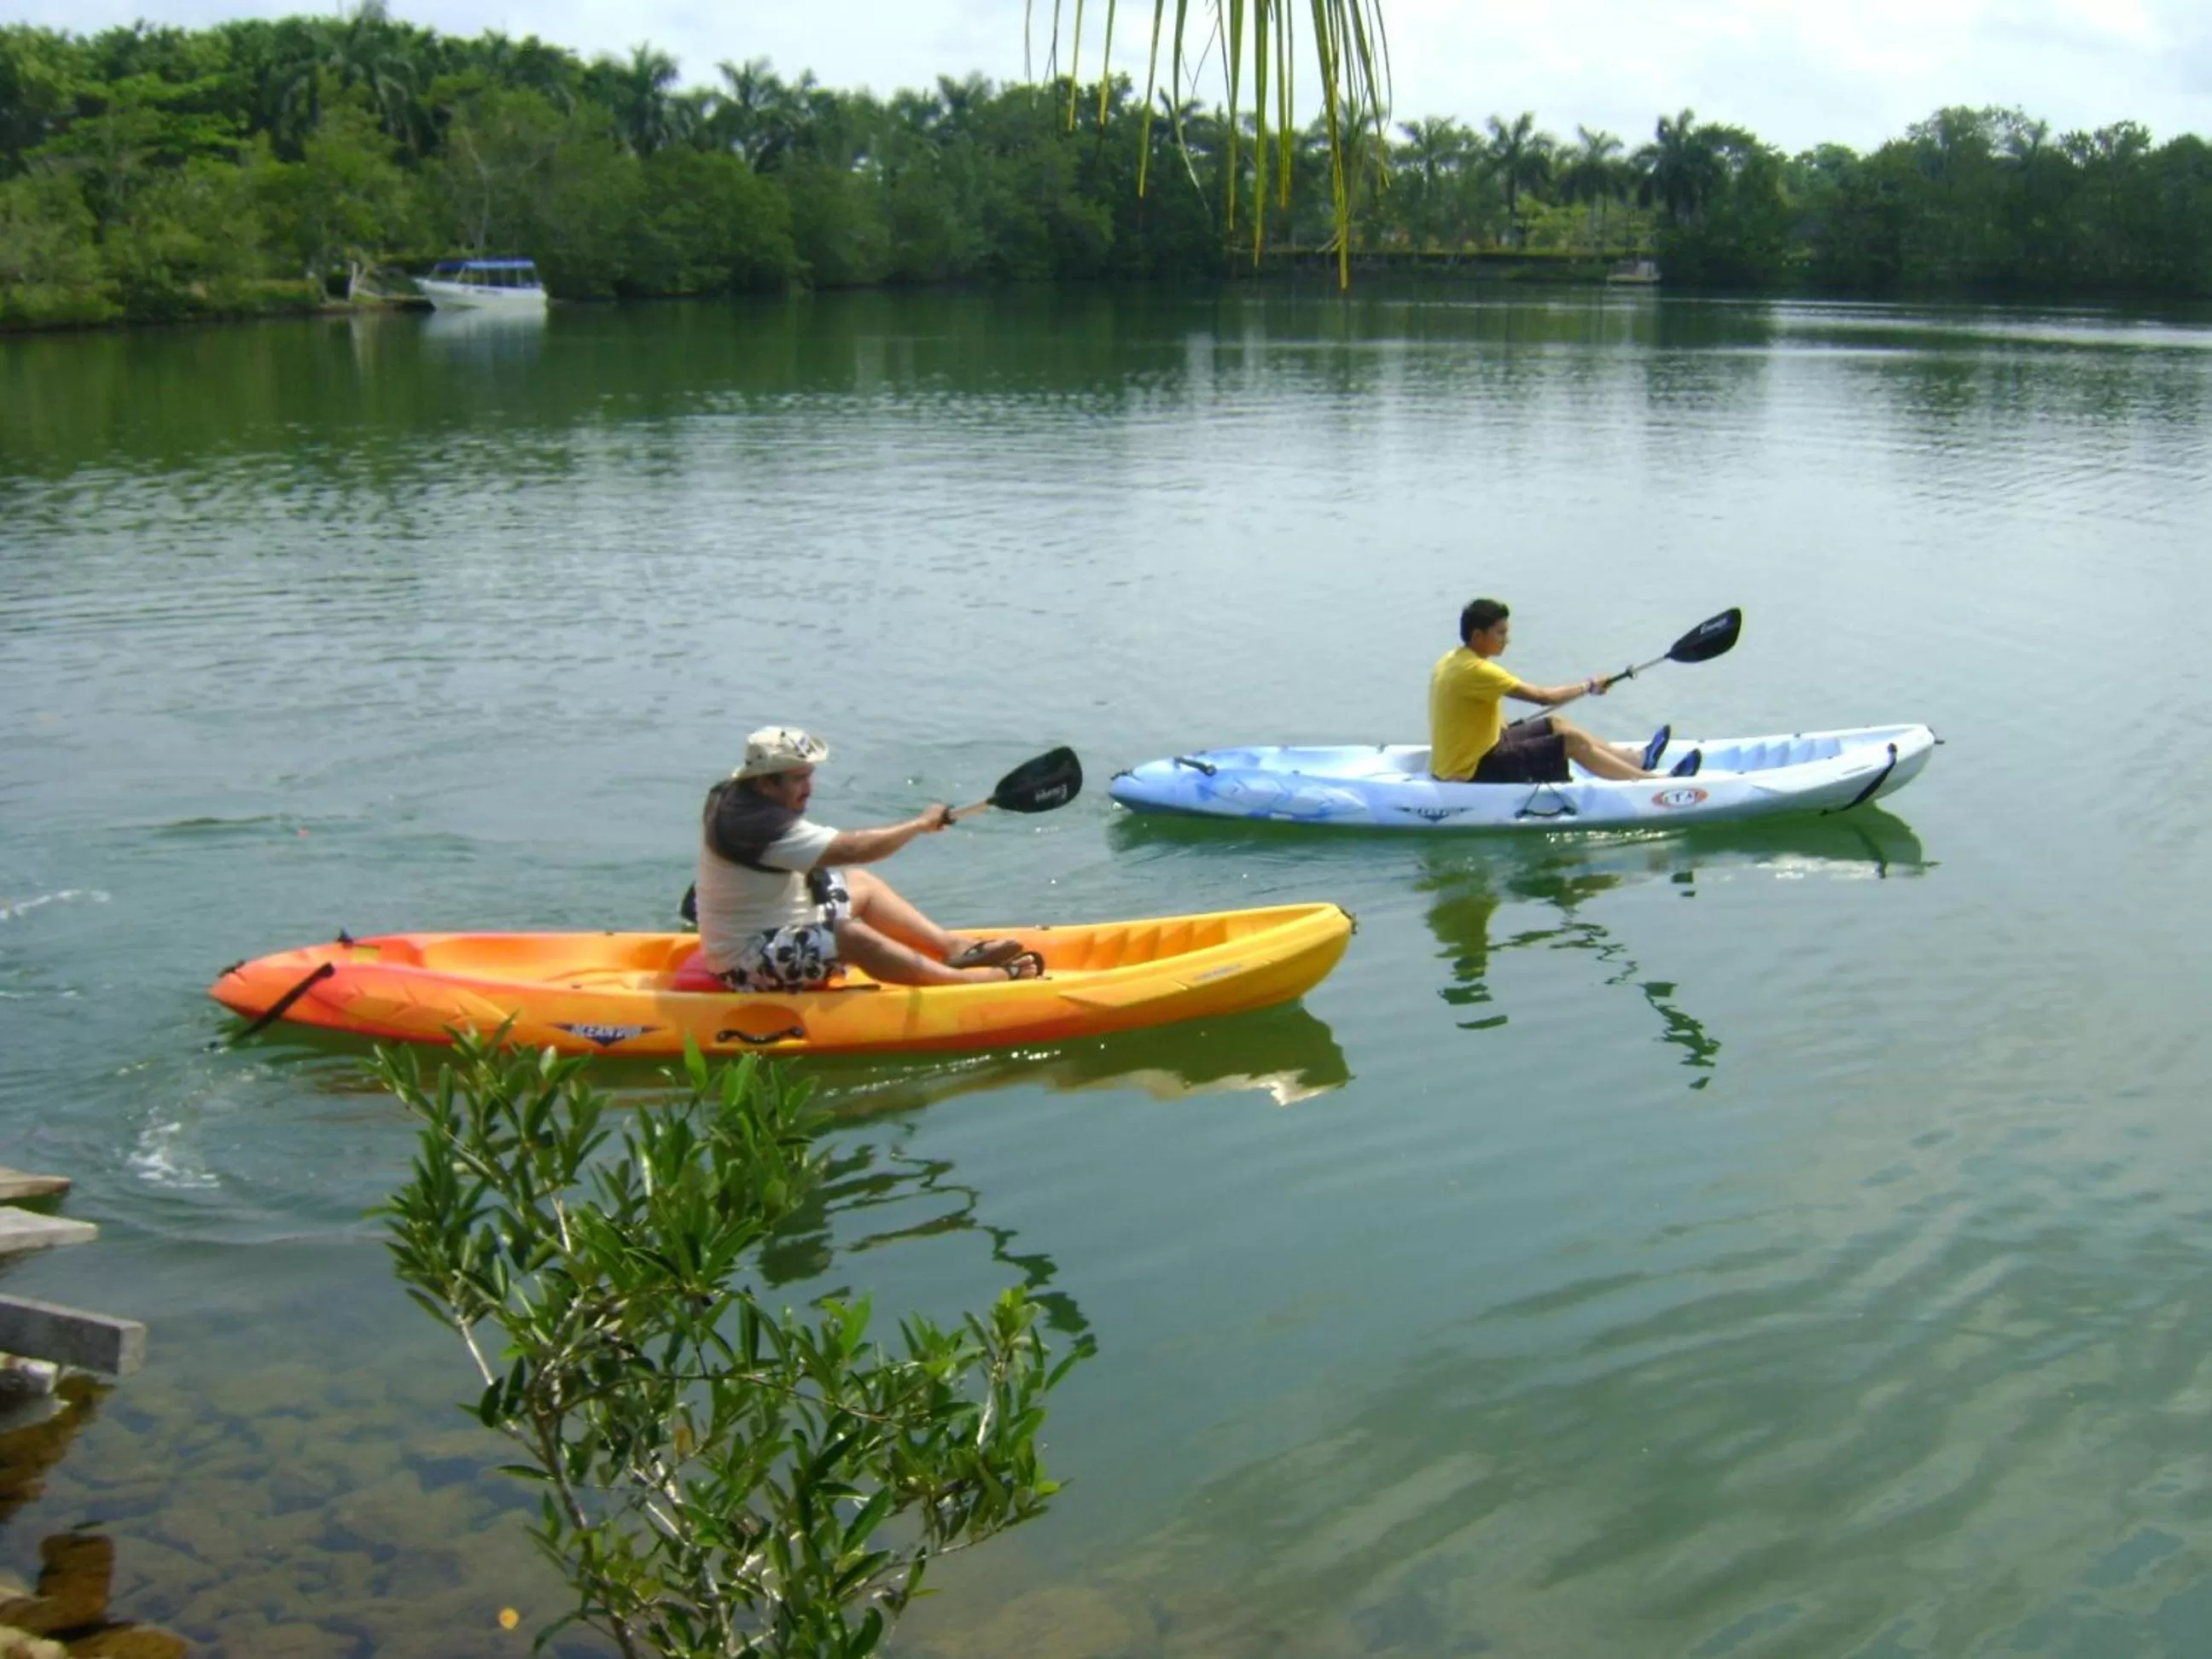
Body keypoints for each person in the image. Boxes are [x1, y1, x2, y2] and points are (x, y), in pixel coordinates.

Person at [694, 727, 1045, 991]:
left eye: (809, 776)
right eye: (798, 779)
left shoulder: (735, 796)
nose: (809, 788)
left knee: (861, 885)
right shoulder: (754, 824)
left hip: (779, 919)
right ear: (764, 784)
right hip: (746, 962)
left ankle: (954, 948)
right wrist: (919, 825)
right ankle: (968, 982)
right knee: (848, 934)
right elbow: (855, 849)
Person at [1429, 598, 1701, 784]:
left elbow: (1473, 707)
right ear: (1478, 636)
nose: (1507, 640)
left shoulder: (1453, 659)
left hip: (1478, 750)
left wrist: (1504, 728)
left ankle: (1639, 759)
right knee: (1570, 742)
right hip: (1472, 769)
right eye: (1500, 633)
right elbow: (1543, 698)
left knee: (1556, 724)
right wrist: (1588, 686)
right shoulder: (1478, 670)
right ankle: (1654, 784)